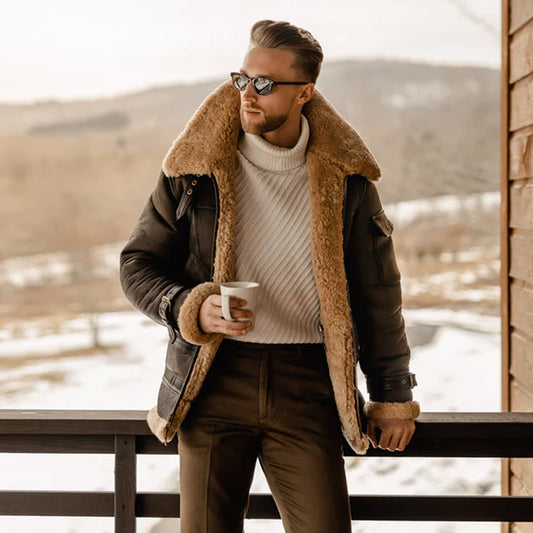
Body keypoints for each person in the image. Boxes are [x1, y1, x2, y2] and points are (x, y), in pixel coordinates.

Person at [120, 19, 419, 533]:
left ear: (305, 92)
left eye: (264, 84)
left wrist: (391, 393)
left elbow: (378, 296)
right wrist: (191, 306)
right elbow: (137, 265)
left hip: (308, 385)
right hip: (212, 380)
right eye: (242, 79)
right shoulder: (194, 171)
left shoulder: (347, 181)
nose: (247, 95)